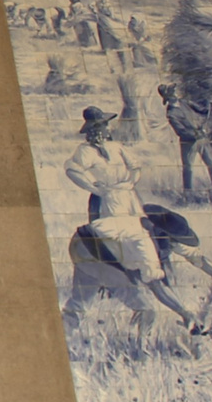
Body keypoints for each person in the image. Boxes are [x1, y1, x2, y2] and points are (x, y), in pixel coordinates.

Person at [66, 106, 201, 331]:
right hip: (107, 202)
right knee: (117, 240)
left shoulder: (117, 147)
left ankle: (127, 278)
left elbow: (135, 166)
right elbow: (72, 170)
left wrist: (131, 181)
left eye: (104, 125)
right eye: (99, 126)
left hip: (124, 199)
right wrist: (95, 188)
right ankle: (117, 280)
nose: (103, 129)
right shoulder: (85, 152)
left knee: (134, 235)